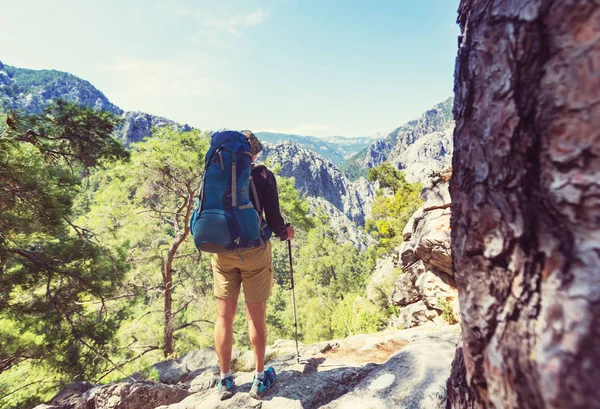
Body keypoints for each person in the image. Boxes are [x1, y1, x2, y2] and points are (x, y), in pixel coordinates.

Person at [211, 130, 295, 400]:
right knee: (255, 316)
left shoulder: (216, 171)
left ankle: (225, 379)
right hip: (255, 251)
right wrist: (286, 233)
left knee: (224, 316)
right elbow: (273, 217)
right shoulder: (261, 175)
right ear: (253, 153)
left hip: (222, 252)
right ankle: (259, 379)